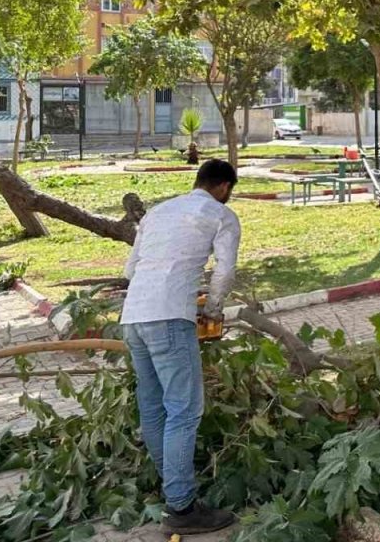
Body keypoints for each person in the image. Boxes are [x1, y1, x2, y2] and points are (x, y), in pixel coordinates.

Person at [120, 159, 241, 535]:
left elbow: (129, 271)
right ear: (223, 187)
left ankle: (170, 486)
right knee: (184, 411)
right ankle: (182, 507)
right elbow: (224, 270)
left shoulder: (159, 211)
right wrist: (213, 308)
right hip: (170, 318)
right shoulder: (221, 215)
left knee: (153, 407)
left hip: (133, 318)